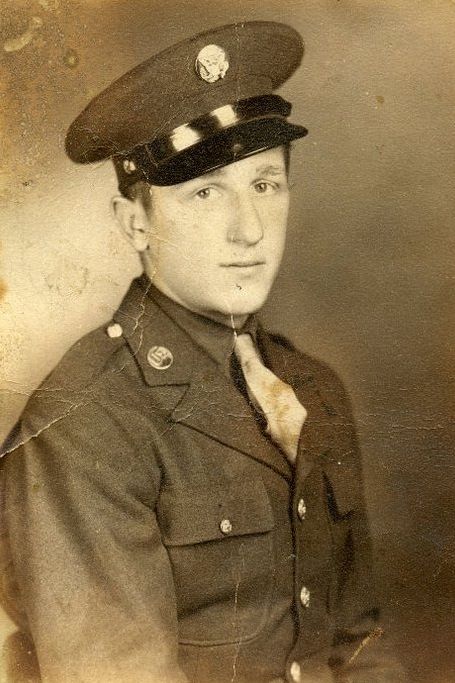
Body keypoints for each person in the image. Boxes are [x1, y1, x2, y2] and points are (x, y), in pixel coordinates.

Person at [0, 20, 405, 683]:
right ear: (136, 223)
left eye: (264, 185)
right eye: (206, 192)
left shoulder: (313, 387)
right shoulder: (83, 423)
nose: (248, 229)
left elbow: (359, 648)